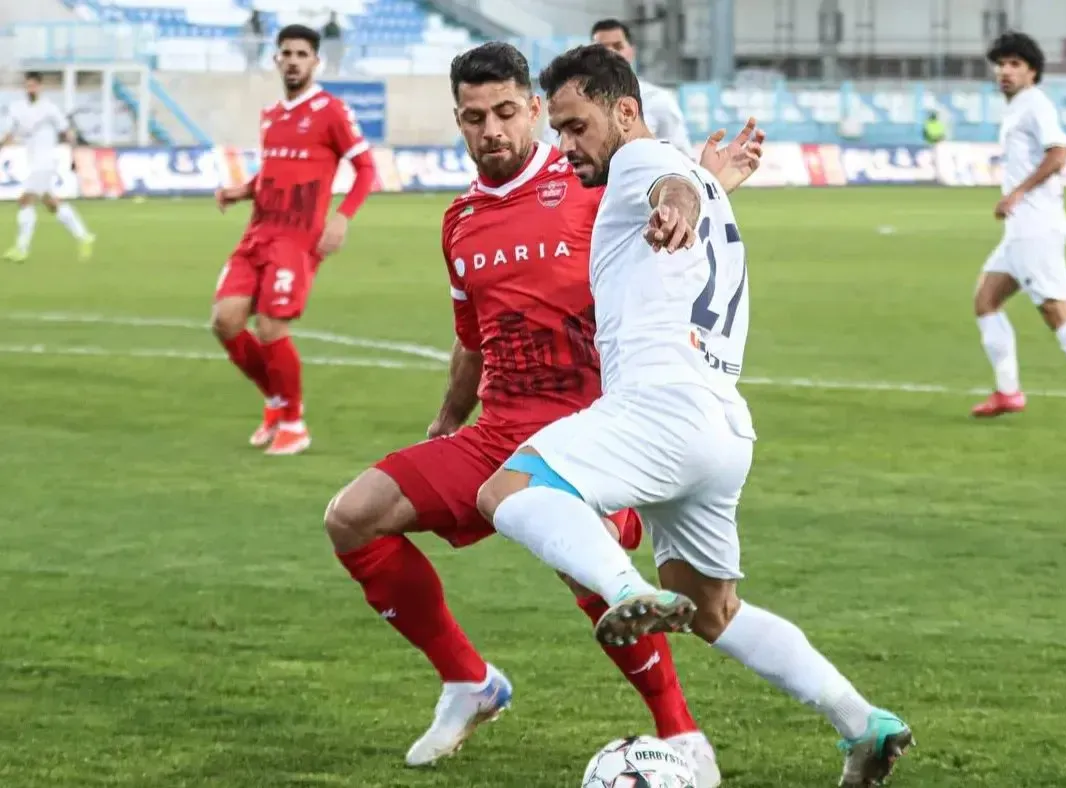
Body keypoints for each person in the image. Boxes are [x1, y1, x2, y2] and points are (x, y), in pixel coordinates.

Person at [474, 44, 913, 788]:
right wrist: (705, 185)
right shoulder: (693, 182)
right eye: (559, 131)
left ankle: (624, 591)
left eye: (577, 127)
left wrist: (679, 195)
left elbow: (666, 183)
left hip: (659, 407)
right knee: (714, 611)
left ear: (625, 111)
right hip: (720, 427)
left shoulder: (641, 163)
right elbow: (683, 185)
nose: (566, 146)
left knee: (507, 491)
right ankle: (862, 722)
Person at [323, 41, 761, 787]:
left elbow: (668, 191)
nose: (491, 129)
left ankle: (680, 732)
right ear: (458, 121)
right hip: (497, 429)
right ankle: (470, 682)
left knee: (586, 557)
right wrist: (447, 418)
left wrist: (700, 186)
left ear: (533, 109)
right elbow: (472, 339)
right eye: (474, 117)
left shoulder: (591, 178)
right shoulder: (459, 221)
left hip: (594, 428)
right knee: (352, 517)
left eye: (505, 112)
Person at [212, 24, 376, 456]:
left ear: (315, 61)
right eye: (286, 53)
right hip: (257, 232)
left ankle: (293, 423)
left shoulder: (331, 111)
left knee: (270, 326)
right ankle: (275, 399)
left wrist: (341, 217)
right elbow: (273, 172)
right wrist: (241, 191)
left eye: (302, 54)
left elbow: (366, 168)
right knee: (225, 320)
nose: (293, 61)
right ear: (276, 59)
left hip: (297, 237)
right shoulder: (271, 115)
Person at [971, 31, 1066, 428]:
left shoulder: (1035, 105)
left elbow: (1058, 153)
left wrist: (1017, 193)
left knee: (1055, 309)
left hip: (1036, 227)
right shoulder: (1017, 109)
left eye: (1015, 64)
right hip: (1020, 230)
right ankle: (1008, 392)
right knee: (986, 300)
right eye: (1001, 64)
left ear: (1032, 72)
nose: (1005, 71)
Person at [542, 19, 692, 156]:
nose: (610, 52)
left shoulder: (658, 100)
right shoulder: (564, 103)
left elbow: (681, 153)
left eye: (618, 46)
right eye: (602, 48)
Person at [1, 72, 94, 263]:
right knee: (51, 203)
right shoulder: (18, 108)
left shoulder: (49, 108)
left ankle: (21, 248)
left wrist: (75, 153)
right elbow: (9, 134)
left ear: (40, 87)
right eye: (28, 86)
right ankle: (84, 236)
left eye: (33, 86)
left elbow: (66, 131)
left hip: (45, 163)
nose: (30, 89)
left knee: (26, 200)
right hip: (32, 161)